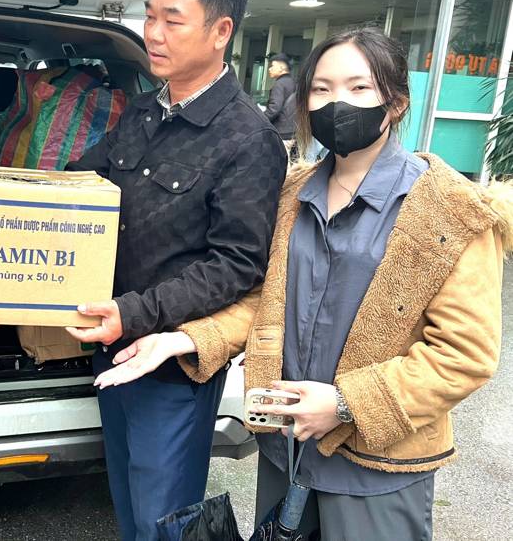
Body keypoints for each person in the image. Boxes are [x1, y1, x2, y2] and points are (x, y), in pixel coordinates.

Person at [94, 27, 507, 541]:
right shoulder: (294, 193)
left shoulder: (449, 211)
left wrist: (343, 403)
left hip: (375, 462)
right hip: (286, 445)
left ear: (396, 102)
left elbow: (463, 354)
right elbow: (266, 302)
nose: (338, 103)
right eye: (322, 89)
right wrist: (183, 338)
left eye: (359, 88)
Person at [65, 0, 288, 541]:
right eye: (149, 15)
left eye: (172, 19)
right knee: (126, 496)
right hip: (111, 341)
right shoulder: (143, 111)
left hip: (170, 359)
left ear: (221, 32)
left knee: (163, 515)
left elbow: (238, 263)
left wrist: (134, 314)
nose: (153, 34)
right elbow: (78, 189)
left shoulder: (248, 139)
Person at [264, 53, 297, 150]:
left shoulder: (279, 84)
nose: (269, 69)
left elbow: (274, 109)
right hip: (293, 130)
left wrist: (261, 119)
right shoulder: (294, 82)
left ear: (281, 68)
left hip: (282, 131)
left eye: (272, 66)